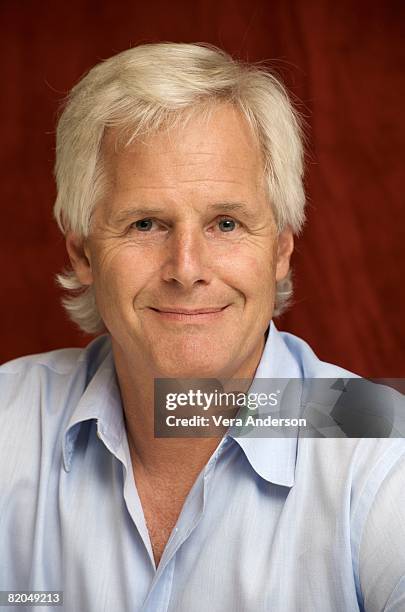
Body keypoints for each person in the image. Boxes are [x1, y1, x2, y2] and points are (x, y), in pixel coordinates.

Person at [0, 42, 404, 612]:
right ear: (84, 254)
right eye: (145, 223)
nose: (186, 269)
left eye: (226, 223)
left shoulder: (385, 449)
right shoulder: (8, 421)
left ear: (280, 251)